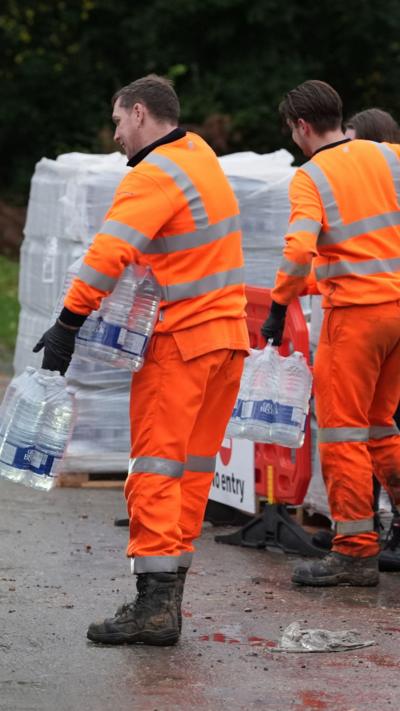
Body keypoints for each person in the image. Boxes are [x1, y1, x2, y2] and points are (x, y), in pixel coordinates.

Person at [34, 74, 249, 644]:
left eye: (117, 122)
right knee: (191, 471)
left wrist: (67, 324)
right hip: (227, 340)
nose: (115, 137)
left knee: (154, 468)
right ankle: (168, 602)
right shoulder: (198, 154)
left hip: (181, 341)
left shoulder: (152, 176)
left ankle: (154, 608)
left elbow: (109, 254)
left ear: (138, 112)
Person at [261, 79, 400, 587]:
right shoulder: (388, 156)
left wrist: (279, 303)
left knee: (343, 431)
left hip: (358, 318)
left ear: (301, 127)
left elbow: (299, 250)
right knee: (381, 426)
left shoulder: (310, 177)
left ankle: (355, 551)